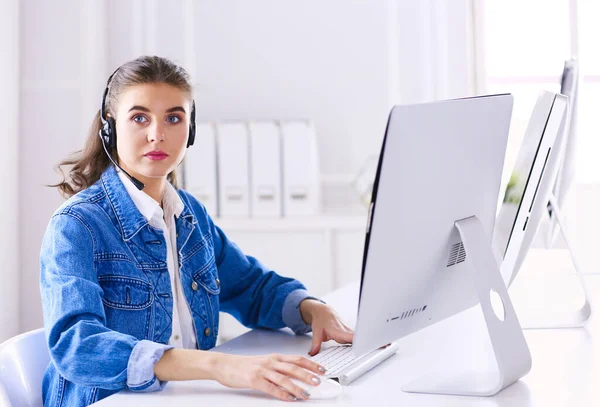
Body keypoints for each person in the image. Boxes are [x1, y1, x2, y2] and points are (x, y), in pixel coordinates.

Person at [40, 55, 354, 406]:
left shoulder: (189, 216)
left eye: (173, 118)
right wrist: (218, 365)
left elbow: (252, 287)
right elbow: (76, 345)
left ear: (190, 131)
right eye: (139, 117)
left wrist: (312, 309)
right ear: (110, 128)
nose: (157, 134)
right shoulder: (77, 225)